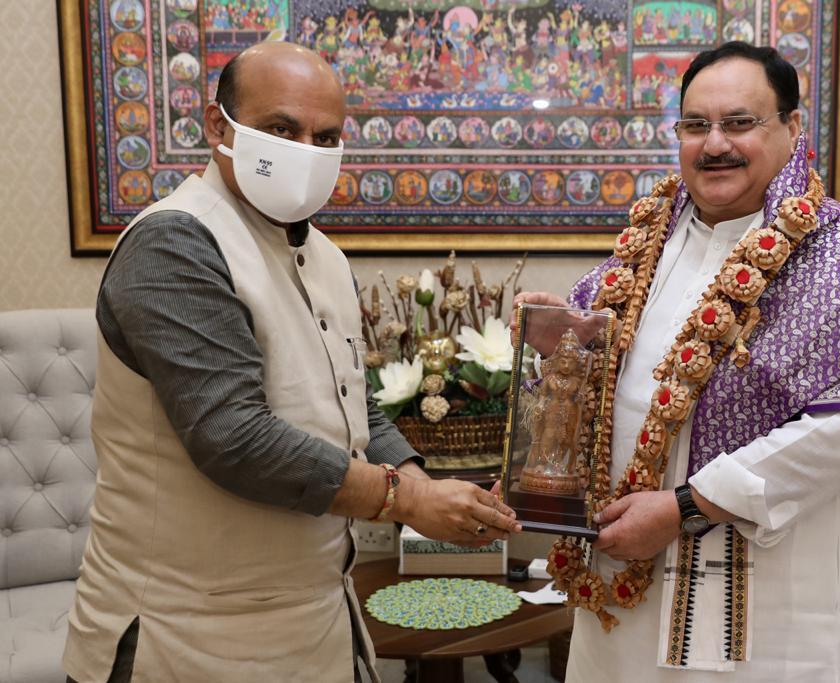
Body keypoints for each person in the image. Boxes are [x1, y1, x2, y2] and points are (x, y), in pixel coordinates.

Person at [63, 41, 520, 683]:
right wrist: (404, 501)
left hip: (318, 624)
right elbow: (235, 438)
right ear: (218, 125)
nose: (305, 149)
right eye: (281, 128)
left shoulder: (327, 257)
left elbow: (349, 403)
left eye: (325, 135)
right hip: (185, 637)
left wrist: (425, 484)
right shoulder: (172, 244)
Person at [512, 41, 840, 682]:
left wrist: (686, 507)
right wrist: (565, 345)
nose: (715, 145)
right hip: (624, 575)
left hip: (765, 599)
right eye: (695, 125)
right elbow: (616, 381)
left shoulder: (835, 249)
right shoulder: (653, 236)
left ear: (792, 129)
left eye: (740, 123)